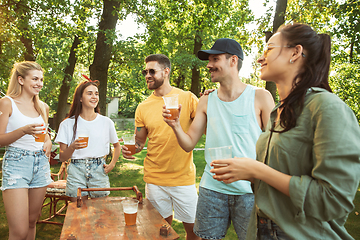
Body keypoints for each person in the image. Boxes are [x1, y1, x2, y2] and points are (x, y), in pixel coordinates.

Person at [210, 23, 360, 240]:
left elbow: (333, 199)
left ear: (295, 53)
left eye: (269, 49)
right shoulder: (278, 112)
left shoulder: (327, 107)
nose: (261, 58)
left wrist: (257, 170)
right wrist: (246, 172)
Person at [163, 38, 275, 240]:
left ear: (233, 60)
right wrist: (176, 125)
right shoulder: (206, 100)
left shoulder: (261, 97)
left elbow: (275, 148)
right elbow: (188, 144)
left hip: (250, 190)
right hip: (211, 189)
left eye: (215, 59)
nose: (209, 65)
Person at [121, 54, 200, 240]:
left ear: (166, 72)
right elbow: (140, 141)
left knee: (195, 231)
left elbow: (204, 128)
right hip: (155, 179)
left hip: (183, 178)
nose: (147, 75)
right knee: (159, 232)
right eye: (145, 72)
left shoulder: (188, 98)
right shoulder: (143, 107)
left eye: (152, 71)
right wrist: (132, 148)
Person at [0, 61, 53, 240]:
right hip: (16, 164)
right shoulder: (7, 103)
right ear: (21, 80)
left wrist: (49, 141)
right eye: (35, 79)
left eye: (41, 79)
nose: (40, 83)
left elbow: (44, 135)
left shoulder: (43, 107)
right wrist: (23, 131)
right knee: (19, 231)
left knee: (32, 222)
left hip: (40, 165)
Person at [55, 78, 120, 202]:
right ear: (80, 98)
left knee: (100, 213)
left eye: (96, 94)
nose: (94, 97)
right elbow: (62, 157)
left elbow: (117, 146)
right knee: (78, 213)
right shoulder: (67, 124)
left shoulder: (106, 122)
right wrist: (73, 146)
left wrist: (112, 164)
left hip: (99, 168)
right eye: (89, 93)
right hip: (76, 169)